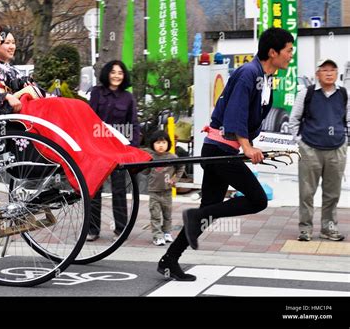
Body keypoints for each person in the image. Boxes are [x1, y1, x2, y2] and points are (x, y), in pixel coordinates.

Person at [157, 27, 295, 281]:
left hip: (221, 147)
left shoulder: (264, 78)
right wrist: (247, 146)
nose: (290, 56)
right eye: (288, 51)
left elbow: (245, 117)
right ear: (273, 52)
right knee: (257, 200)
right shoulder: (248, 73)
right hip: (220, 149)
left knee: (207, 210)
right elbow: (235, 114)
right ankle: (191, 223)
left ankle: (169, 260)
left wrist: (250, 145)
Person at [0, 12, 150, 199]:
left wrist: (41, 93)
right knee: (66, 108)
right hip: (5, 117)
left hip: (18, 109)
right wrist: (6, 97)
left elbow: (25, 83)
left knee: (77, 107)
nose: (1, 38)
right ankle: (89, 156)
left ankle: (103, 151)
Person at [289, 58, 348, 242]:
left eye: (332, 69)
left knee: (333, 193)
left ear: (337, 73)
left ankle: (329, 228)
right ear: (317, 74)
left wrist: (345, 141)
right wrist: (301, 143)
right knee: (306, 192)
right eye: (325, 70)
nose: (329, 73)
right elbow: (294, 120)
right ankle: (305, 229)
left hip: (336, 149)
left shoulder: (344, 94)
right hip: (310, 149)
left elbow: (348, 120)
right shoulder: (306, 93)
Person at [87, 60, 140, 241]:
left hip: (118, 148)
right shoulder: (96, 93)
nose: (117, 75)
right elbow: (89, 119)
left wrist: (132, 147)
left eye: (120, 72)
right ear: (107, 74)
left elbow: (133, 124)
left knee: (119, 189)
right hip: (97, 147)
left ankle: (121, 229)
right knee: (94, 188)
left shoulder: (128, 97)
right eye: (113, 72)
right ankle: (92, 230)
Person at [143, 130, 185, 246]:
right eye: (157, 143)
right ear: (152, 145)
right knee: (155, 215)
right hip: (154, 192)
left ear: (168, 144)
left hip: (167, 192)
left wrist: (175, 180)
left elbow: (181, 167)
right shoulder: (150, 157)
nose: (161, 145)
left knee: (167, 214)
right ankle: (157, 235)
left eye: (163, 142)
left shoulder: (172, 157)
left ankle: (167, 232)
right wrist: (143, 165)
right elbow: (145, 171)